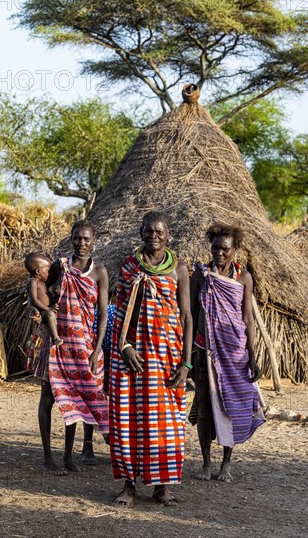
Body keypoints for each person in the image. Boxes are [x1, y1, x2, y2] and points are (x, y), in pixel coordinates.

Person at [109, 211, 192, 507]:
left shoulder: (179, 269)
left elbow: (185, 316)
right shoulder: (129, 266)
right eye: (148, 231)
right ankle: (129, 487)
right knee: (127, 417)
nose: (153, 236)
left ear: (168, 234)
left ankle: (162, 487)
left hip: (167, 357)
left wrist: (186, 363)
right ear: (140, 232)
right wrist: (126, 347)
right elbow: (119, 311)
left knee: (166, 422)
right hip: (133, 357)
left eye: (159, 231)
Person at [27, 219, 109, 474]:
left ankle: (68, 457)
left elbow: (104, 312)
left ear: (93, 240)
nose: (81, 243)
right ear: (71, 239)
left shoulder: (99, 272)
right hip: (56, 344)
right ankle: (48, 457)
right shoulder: (59, 267)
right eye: (77, 238)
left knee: (75, 399)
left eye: (86, 239)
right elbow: (38, 288)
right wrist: (37, 311)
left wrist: (96, 350)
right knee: (49, 398)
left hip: (84, 346)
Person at [190, 223, 265, 483]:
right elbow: (191, 313)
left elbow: (247, 317)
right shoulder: (200, 274)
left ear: (235, 250)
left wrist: (252, 354)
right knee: (203, 407)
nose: (219, 253)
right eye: (215, 247)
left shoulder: (243, 277)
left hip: (233, 353)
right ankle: (207, 462)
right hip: (204, 350)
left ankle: (226, 463)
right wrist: (189, 353)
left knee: (231, 407)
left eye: (225, 249)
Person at [24, 252, 62, 346]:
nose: (49, 274)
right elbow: (34, 299)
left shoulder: (41, 281)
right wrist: (48, 308)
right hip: (43, 312)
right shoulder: (33, 282)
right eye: (48, 271)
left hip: (49, 308)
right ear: (38, 271)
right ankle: (55, 338)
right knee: (50, 315)